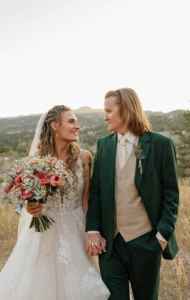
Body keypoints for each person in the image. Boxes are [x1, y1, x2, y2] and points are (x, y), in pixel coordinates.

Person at [0, 105, 109, 300]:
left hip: (76, 231)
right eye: (71, 121)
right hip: (44, 233)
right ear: (55, 126)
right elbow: (31, 199)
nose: (77, 126)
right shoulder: (35, 162)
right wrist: (32, 206)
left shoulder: (84, 158)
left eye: (77, 122)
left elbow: (86, 201)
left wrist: (91, 232)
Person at [86, 88, 179, 300]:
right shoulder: (104, 145)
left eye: (109, 111)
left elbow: (171, 195)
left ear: (126, 110)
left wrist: (162, 236)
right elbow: (97, 192)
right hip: (110, 245)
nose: (105, 116)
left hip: (146, 242)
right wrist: (93, 229)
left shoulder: (160, 144)